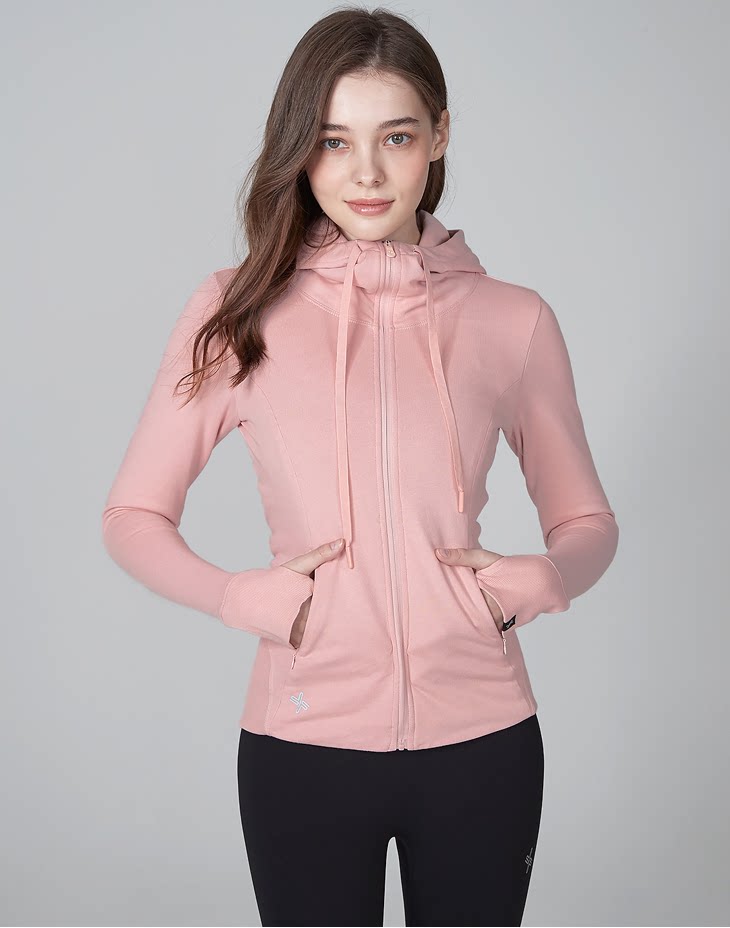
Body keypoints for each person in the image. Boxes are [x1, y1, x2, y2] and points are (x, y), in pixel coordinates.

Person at [101, 6, 619, 926]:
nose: (367, 173)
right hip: (303, 742)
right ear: (300, 149)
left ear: (440, 136)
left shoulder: (513, 319)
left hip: (484, 741)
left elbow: (587, 523)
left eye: (396, 137)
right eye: (334, 141)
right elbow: (132, 516)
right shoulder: (236, 312)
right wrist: (240, 597)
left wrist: (543, 579)